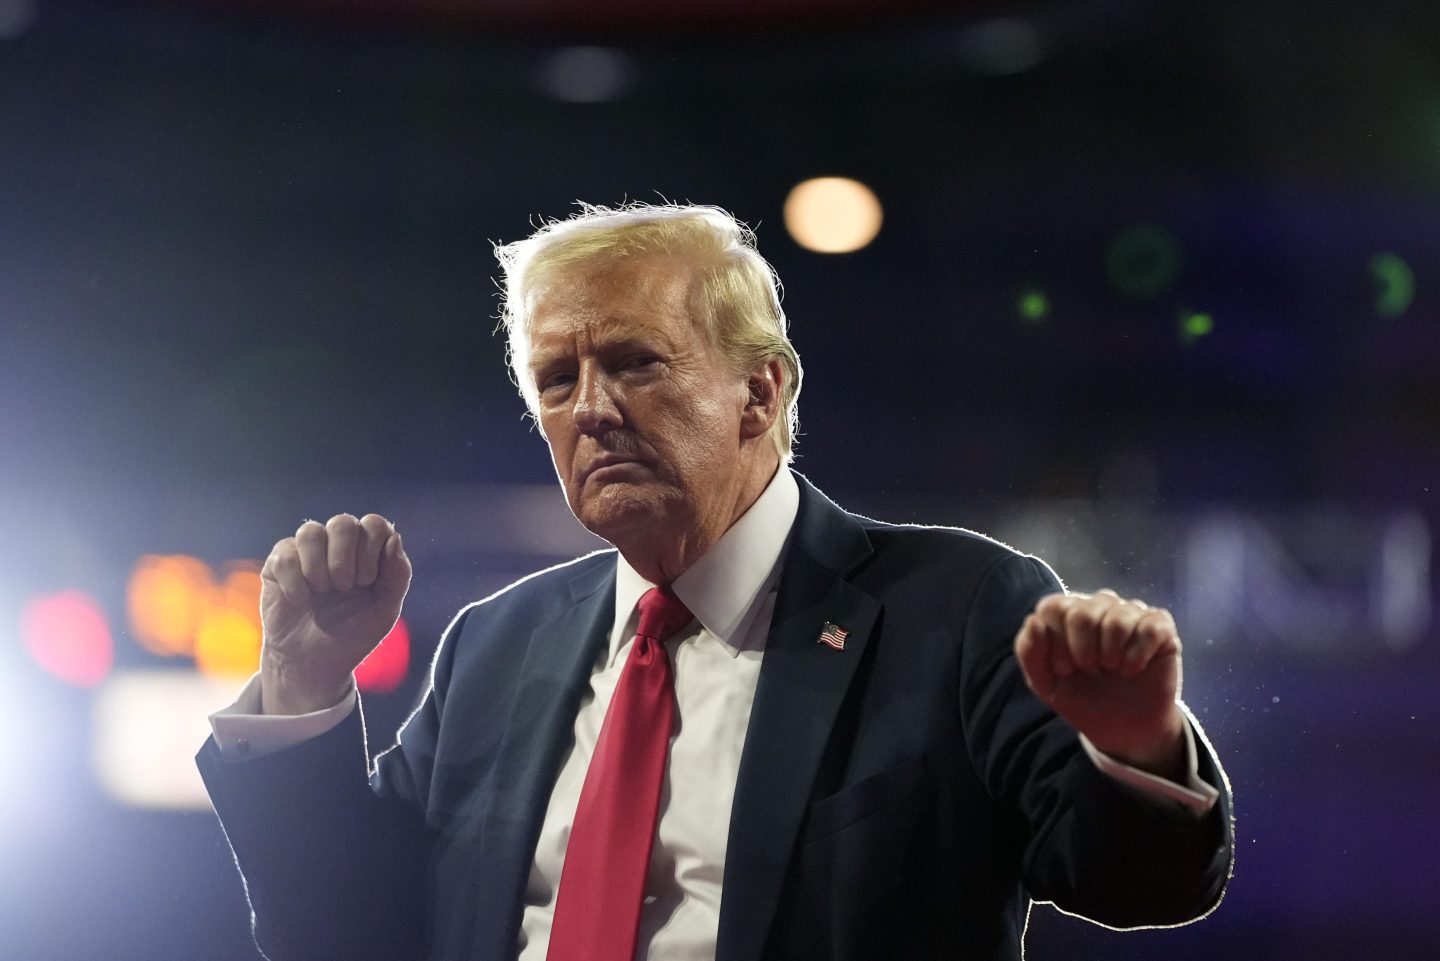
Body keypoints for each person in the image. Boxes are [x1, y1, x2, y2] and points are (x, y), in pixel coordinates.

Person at [198, 203, 1233, 961]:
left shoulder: (958, 608)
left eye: (637, 361)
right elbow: (344, 937)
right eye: (557, 380)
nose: (590, 408)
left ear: (760, 388)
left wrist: (1134, 746)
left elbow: (1136, 881)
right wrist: (300, 685)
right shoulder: (494, 647)